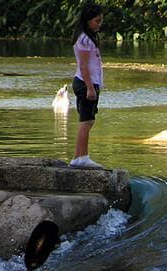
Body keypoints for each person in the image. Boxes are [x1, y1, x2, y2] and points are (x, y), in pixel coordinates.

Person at [70, 4, 105, 169]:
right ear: (88, 20)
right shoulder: (84, 39)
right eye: (96, 21)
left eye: (100, 21)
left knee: (89, 120)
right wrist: (90, 88)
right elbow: (83, 66)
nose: (99, 24)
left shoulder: (89, 38)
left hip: (90, 83)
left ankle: (78, 155)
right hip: (85, 83)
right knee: (85, 121)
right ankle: (82, 157)